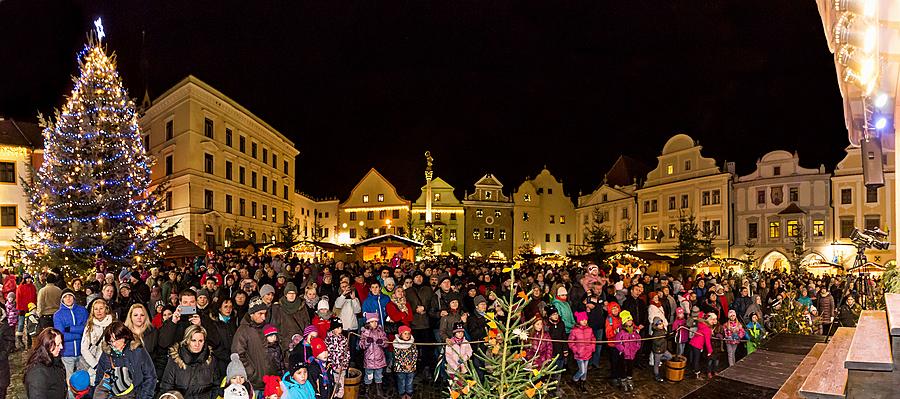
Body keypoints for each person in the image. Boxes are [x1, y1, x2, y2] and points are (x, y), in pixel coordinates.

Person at [93, 321, 157, 399]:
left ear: (125, 336)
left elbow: (150, 376)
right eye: (111, 341)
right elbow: (99, 380)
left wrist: (144, 397)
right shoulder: (106, 354)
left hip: (137, 395)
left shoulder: (137, 350)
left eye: (116, 340)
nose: (114, 344)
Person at [159, 325, 217, 399]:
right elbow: (166, 387)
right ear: (187, 340)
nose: (197, 344)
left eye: (200, 341)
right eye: (193, 340)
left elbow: (217, 386)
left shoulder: (211, 359)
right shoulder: (175, 359)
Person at [231, 296, 271, 390]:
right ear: (251, 314)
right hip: (254, 383)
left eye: (265, 314)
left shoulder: (267, 327)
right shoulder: (243, 330)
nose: (263, 317)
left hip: (269, 381)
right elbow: (237, 354)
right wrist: (251, 373)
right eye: (260, 314)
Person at [53, 288, 88, 391]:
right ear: (62, 300)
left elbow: (86, 329)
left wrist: (71, 328)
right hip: (67, 353)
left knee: (84, 378)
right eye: (65, 297)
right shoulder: (58, 315)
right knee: (70, 380)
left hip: (83, 351)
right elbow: (61, 335)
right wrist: (79, 335)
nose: (68, 299)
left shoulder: (82, 310)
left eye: (70, 296)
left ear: (74, 297)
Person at [24, 328, 67, 399]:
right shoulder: (37, 373)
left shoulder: (55, 359)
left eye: (61, 343)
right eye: (58, 344)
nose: (61, 347)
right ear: (48, 346)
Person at [80, 298, 113, 387]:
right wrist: (95, 365)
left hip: (111, 362)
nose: (98, 311)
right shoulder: (89, 326)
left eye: (101, 308)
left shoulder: (113, 324)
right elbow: (84, 348)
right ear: (92, 311)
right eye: (96, 309)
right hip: (94, 363)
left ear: (106, 309)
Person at [203, 298, 238, 380]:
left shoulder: (232, 321)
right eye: (225, 306)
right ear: (219, 308)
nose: (228, 309)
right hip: (219, 362)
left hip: (232, 360)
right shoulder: (213, 323)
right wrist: (228, 356)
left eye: (230, 307)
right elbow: (213, 345)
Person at [359, 312, 387, 397]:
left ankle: (379, 390)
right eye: (372, 322)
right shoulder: (365, 332)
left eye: (375, 321)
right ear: (368, 322)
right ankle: (368, 390)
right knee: (369, 376)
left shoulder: (380, 331)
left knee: (379, 375)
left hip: (379, 359)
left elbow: (386, 343)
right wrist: (367, 342)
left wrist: (382, 342)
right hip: (369, 360)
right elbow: (361, 345)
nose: (374, 323)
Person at [613, 310, 641, 393]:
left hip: (632, 353)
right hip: (624, 354)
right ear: (624, 322)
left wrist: (636, 348)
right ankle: (623, 380)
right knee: (622, 367)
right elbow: (618, 343)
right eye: (628, 320)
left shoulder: (634, 331)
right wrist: (623, 350)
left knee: (630, 367)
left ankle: (629, 379)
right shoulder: (621, 332)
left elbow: (638, 340)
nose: (630, 321)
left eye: (631, 320)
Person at [568, 311, 594, 393]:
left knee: (585, 370)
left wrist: (592, 347)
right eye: (582, 320)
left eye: (585, 319)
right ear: (579, 321)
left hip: (588, 353)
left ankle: (582, 383)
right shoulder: (574, 331)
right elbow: (570, 342)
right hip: (579, 354)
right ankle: (575, 379)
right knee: (582, 370)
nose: (584, 321)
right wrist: (576, 350)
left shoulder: (590, 329)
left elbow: (593, 339)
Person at [324, 318, 349, 399]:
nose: (340, 330)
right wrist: (332, 365)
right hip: (333, 368)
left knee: (341, 384)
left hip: (342, 367)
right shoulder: (328, 340)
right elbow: (327, 354)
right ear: (332, 328)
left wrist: (345, 364)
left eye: (341, 328)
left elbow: (347, 353)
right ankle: (334, 395)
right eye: (337, 328)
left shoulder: (344, 339)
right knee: (334, 384)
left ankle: (340, 396)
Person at [393, 325, 417, 399]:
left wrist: (411, 364)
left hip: (411, 367)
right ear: (400, 334)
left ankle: (409, 392)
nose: (407, 335)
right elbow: (397, 357)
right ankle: (402, 393)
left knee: (410, 381)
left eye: (408, 333)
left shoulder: (412, 344)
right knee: (401, 381)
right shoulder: (397, 344)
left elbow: (415, 354)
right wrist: (405, 364)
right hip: (400, 367)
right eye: (405, 333)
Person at [16, 273, 37, 350]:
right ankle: (19, 339)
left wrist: (34, 307)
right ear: (24, 279)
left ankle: (29, 340)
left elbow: (34, 297)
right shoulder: (20, 287)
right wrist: (21, 309)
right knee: (21, 324)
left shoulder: (32, 287)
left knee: (30, 324)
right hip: (23, 309)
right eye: (27, 278)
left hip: (31, 309)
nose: (28, 280)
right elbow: (18, 299)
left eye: (29, 278)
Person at [650, 317, 672, 383]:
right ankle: (657, 376)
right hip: (658, 351)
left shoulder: (663, 330)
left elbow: (666, 336)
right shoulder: (655, 333)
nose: (661, 325)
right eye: (659, 324)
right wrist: (664, 338)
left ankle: (660, 359)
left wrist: (670, 335)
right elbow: (657, 343)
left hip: (664, 349)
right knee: (656, 365)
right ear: (656, 325)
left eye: (662, 323)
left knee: (670, 356)